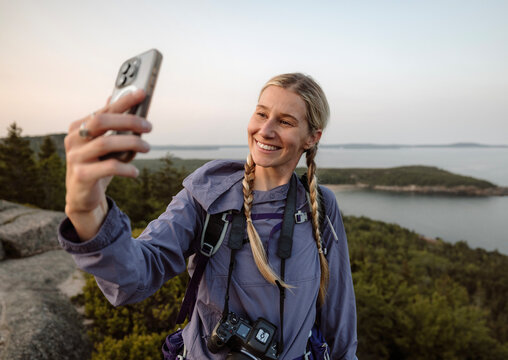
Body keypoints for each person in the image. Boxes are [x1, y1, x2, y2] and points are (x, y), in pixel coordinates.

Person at [59, 73, 358, 359]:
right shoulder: (209, 192)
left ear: (311, 138)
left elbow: (338, 311)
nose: (265, 131)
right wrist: (89, 215)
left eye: (286, 122)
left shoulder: (319, 205)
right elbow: (135, 276)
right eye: (261, 114)